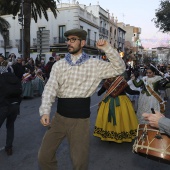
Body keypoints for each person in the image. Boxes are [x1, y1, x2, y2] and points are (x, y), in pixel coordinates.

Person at [38, 28, 125, 170]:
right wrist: (45, 111)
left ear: (82, 42)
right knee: (44, 157)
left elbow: (120, 68)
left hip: (80, 121)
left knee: (80, 163)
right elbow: (50, 88)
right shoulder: (59, 65)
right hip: (59, 118)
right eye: (68, 40)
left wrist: (107, 49)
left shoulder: (94, 64)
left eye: (73, 40)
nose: (69, 43)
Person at [93, 76, 139, 143]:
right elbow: (130, 92)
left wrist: (98, 92)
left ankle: (108, 134)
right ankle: (122, 134)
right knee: (123, 117)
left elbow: (100, 92)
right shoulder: (121, 80)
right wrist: (138, 92)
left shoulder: (107, 81)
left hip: (108, 101)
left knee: (108, 117)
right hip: (122, 102)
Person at [0, 61, 22, 156]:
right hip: (14, 105)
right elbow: (20, 92)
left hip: (3, 106)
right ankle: (9, 148)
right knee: (10, 126)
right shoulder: (15, 79)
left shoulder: (1, 79)